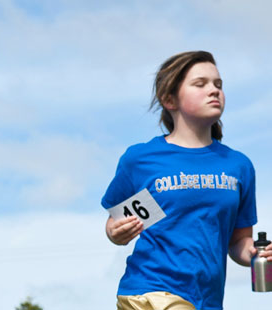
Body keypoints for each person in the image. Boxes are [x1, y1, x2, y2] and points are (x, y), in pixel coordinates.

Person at [102, 50, 271, 310]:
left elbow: (238, 241)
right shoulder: (142, 160)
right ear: (170, 99)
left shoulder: (238, 166)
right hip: (150, 290)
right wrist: (115, 232)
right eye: (200, 84)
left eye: (218, 84)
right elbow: (116, 222)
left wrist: (255, 253)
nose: (214, 90)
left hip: (207, 300)